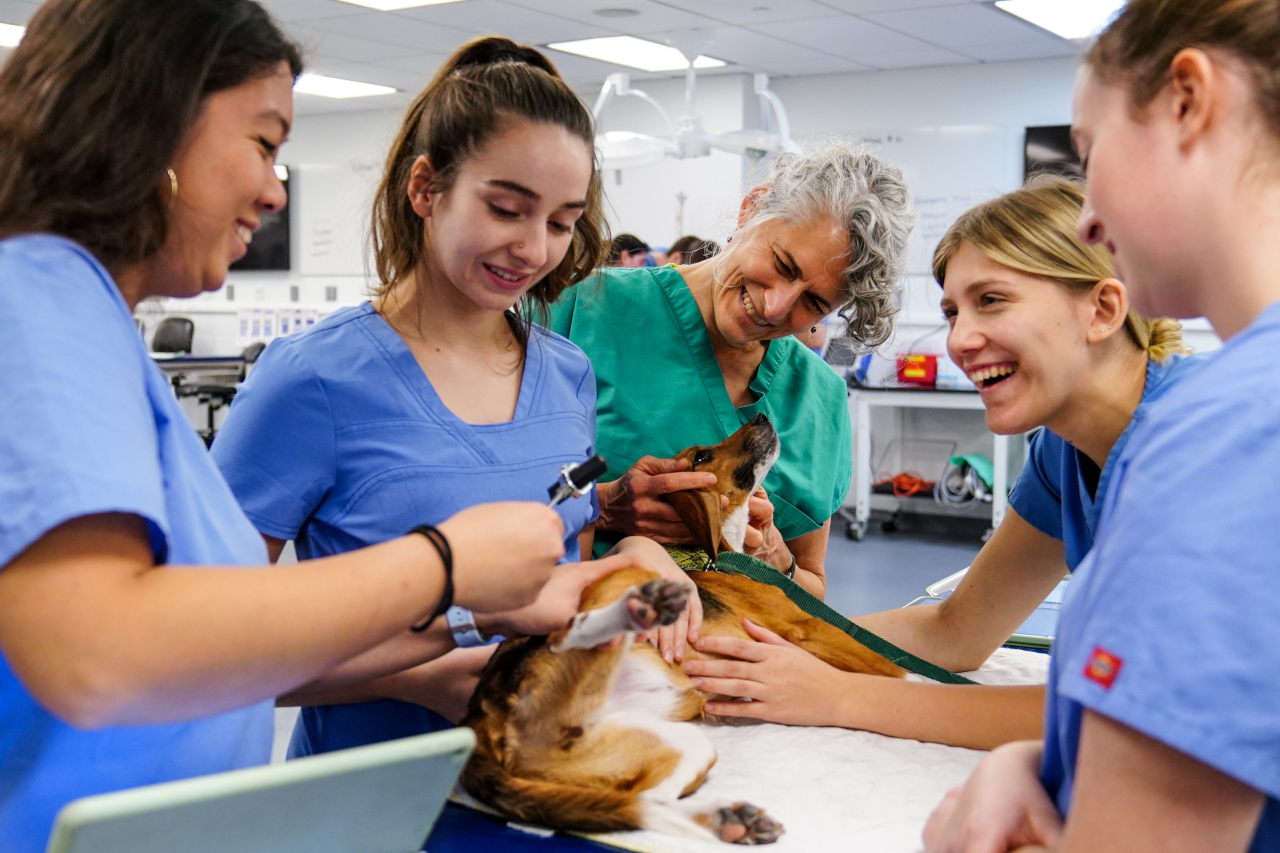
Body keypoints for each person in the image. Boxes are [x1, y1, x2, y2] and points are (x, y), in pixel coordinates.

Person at [0, 5, 577, 852]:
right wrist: (447, 565)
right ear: (151, 120)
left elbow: (226, 635)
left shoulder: (84, 317)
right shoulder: (36, 297)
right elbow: (97, 652)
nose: (275, 190)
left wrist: (473, 622)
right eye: (265, 144)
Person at [211, 37, 688, 758]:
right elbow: (209, 655)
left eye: (561, 223)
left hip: (542, 788)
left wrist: (634, 565)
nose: (534, 248)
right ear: (424, 189)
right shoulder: (312, 380)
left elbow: (561, 603)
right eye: (506, 209)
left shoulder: (568, 376)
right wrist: (420, 676)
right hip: (370, 804)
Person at [924, 1, 1280, 850]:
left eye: (1092, 154)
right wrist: (1043, 761)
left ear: (1189, 99)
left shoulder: (1221, 436)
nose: (1089, 219)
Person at [682, 176, 1202, 750]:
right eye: (953, 312)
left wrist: (836, 695)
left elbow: (1128, 712)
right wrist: (766, 641)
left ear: (1103, 309)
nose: (960, 340)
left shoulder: (1200, 442)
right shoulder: (1065, 451)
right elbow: (958, 630)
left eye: (992, 301)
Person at [544, 140, 915, 624]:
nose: (777, 306)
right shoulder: (583, 309)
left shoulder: (819, 398)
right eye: (783, 265)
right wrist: (604, 506)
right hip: (584, 643)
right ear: (750, 210)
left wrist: (775, 558)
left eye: (815, 304)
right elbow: (480, 496)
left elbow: (812, 588)